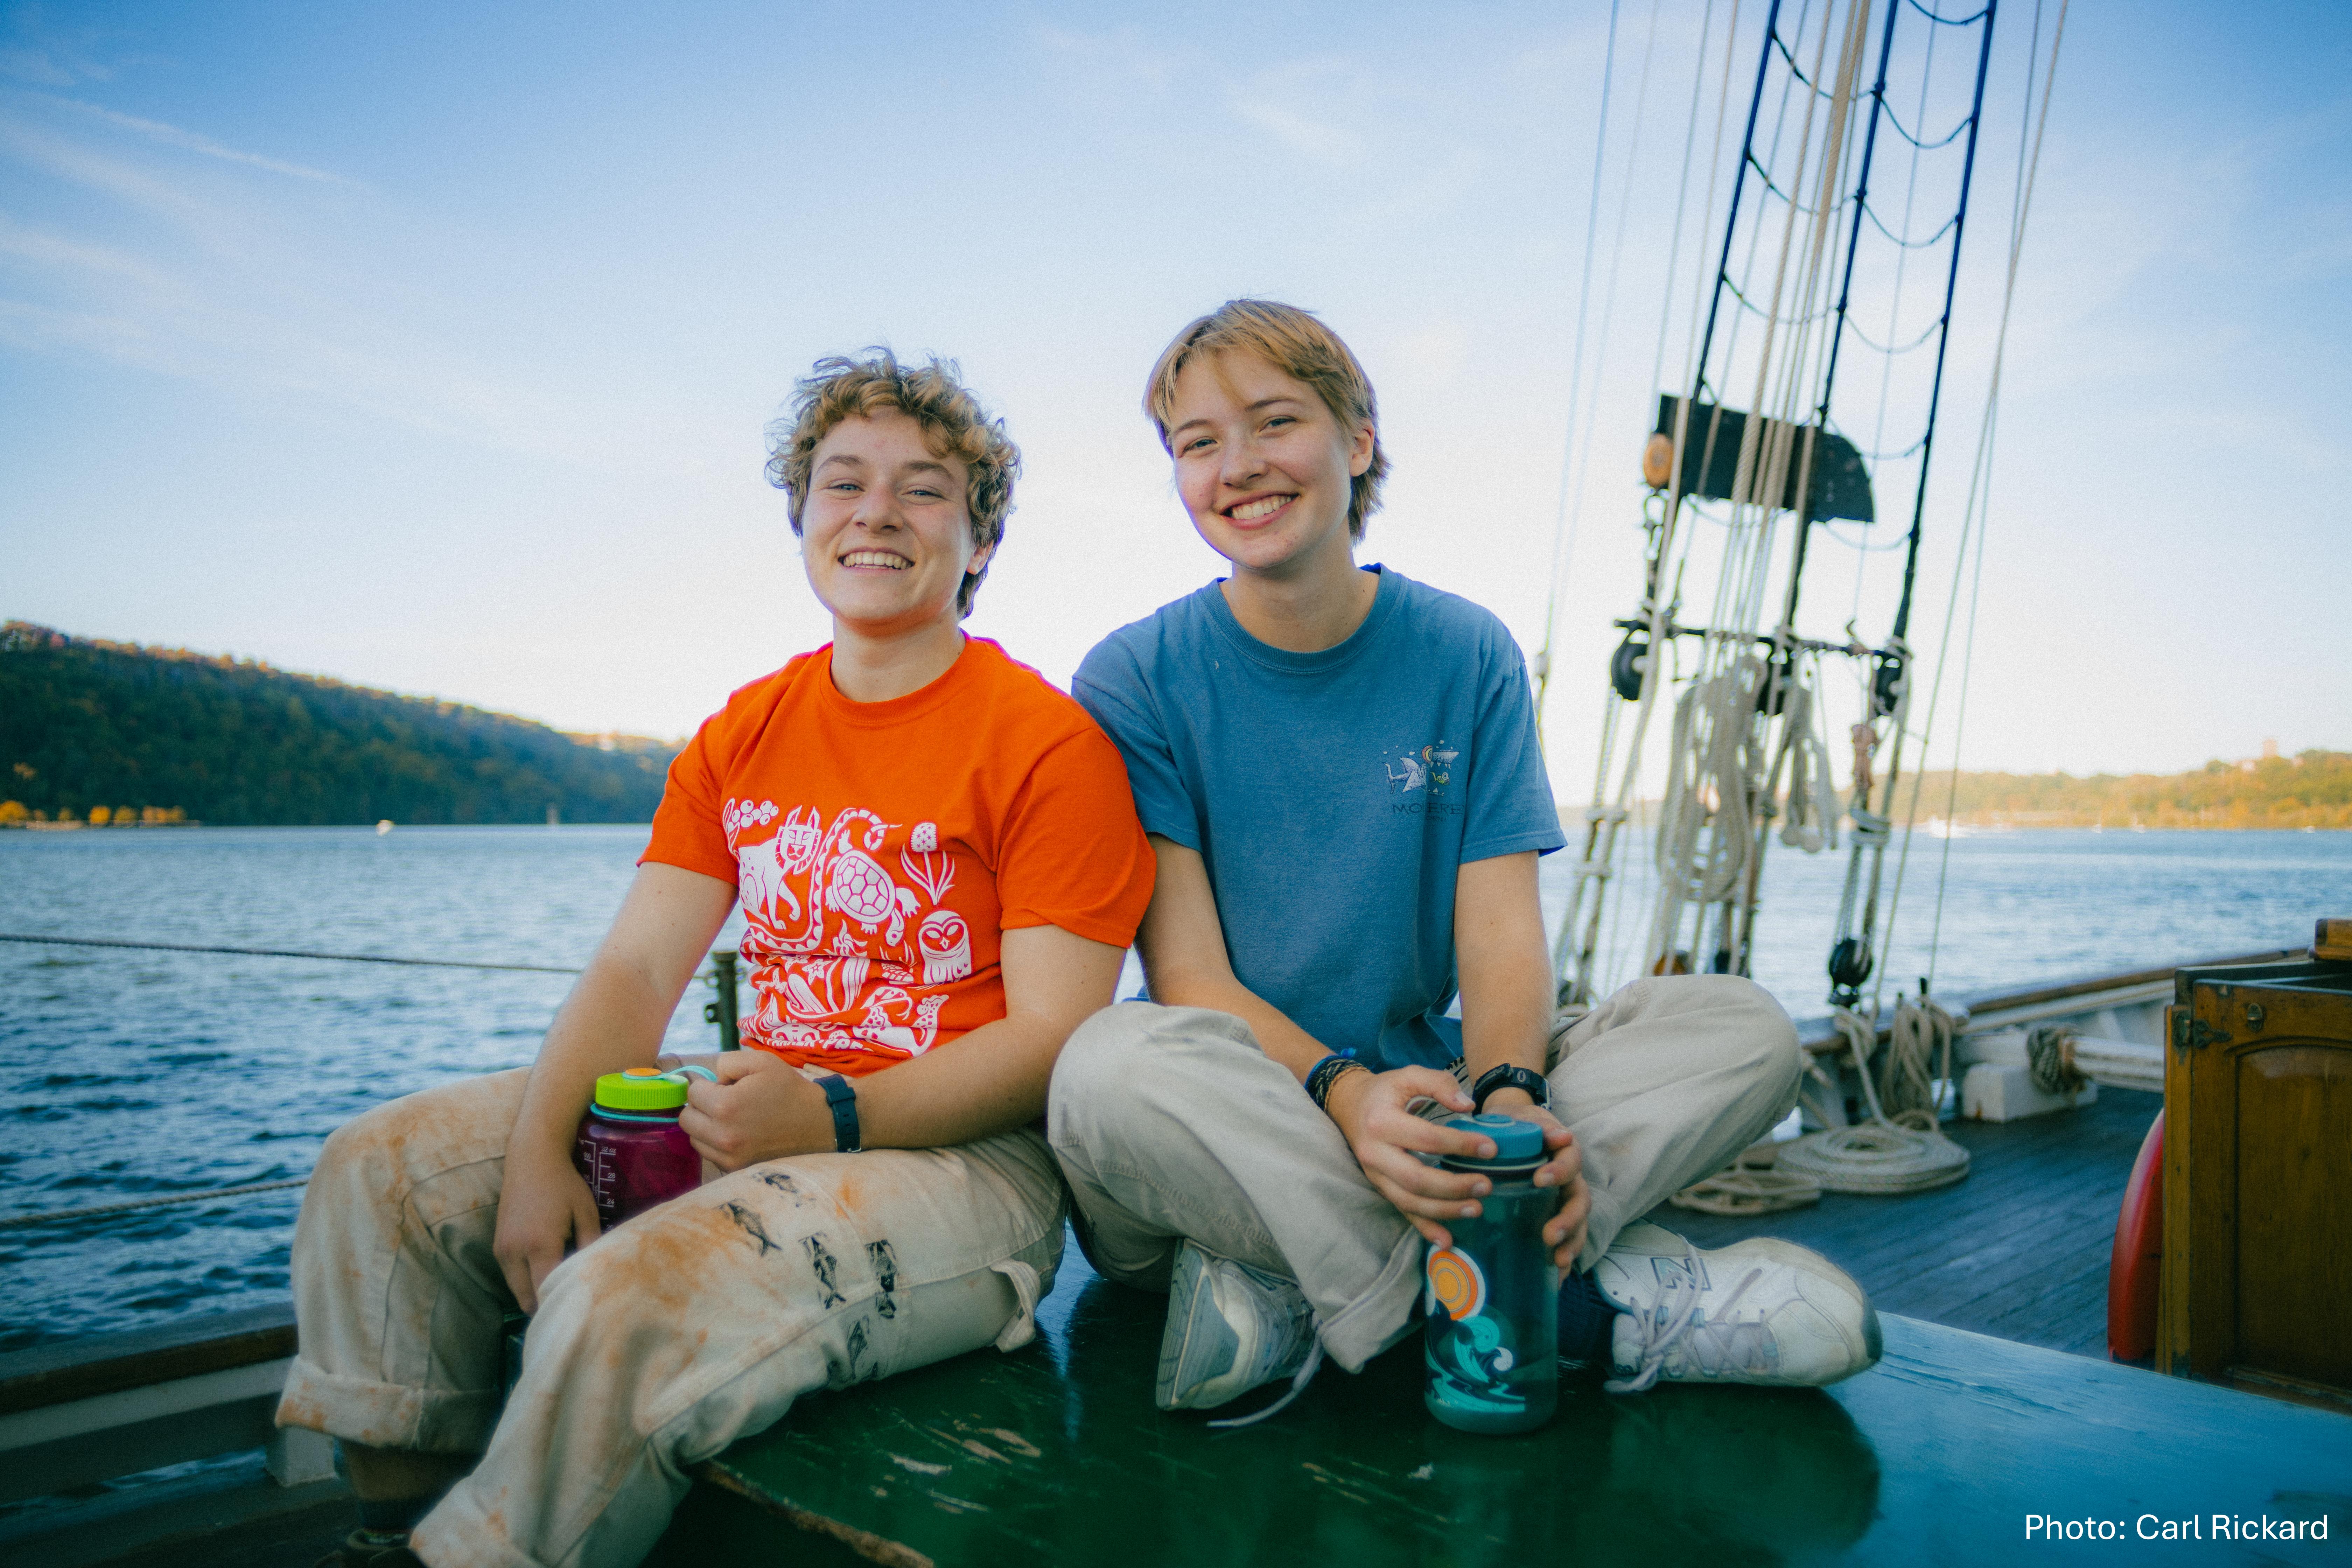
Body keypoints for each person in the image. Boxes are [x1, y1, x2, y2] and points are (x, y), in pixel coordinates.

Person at [278, 351, 1155, 1567]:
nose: (877, 513)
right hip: (759, 1110)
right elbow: (639, 971)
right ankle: (391, 1531)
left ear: (981, 541)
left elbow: (1054, 1039)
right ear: (802, 517)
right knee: (379, 1177)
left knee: (626, 1293)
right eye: (843, 482)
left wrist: (833, 1115)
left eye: (923, 490)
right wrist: (537, 1155)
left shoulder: (1048, 745)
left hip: (965, 1167)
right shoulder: (745, 731)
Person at [1048, 299, 1878, 1422]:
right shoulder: (1134, 676)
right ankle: (1556, 1306)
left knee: (1746, 1030)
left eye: (1275, 422)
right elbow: (1189, 975)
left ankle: (1314, 1283)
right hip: (1242, 1118)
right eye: (1198, 443)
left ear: (1358, 440)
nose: (1237, 467)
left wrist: (1511, 1098)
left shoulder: (1464, 651)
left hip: (1437, 1103)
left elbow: (1498, 933)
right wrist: (1347, 1098)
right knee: (1103, 1070)